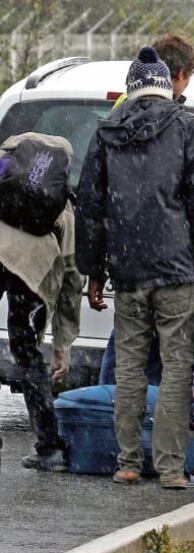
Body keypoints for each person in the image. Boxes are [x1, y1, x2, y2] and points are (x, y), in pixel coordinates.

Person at [76, 47, 194, 489]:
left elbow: (91, 208)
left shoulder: (108, 132)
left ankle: (127, 462)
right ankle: (169, 468)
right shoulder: (189, 129)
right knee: (177, 365)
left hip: (128, 271)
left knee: (128, 366)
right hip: (179, 271)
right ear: (167, 87)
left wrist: (93, 271)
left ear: (131, 90)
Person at [100, 33, 194, 382]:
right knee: (162, 357)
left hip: (128, 253)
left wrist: (95, 263)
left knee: (126, 349)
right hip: (169, 258)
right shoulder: (180, 123)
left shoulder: (121, 110)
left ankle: (113, 422)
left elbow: (99, 194)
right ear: (179, 73)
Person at [2, 134, 82, 472]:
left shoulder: (6, 177)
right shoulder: (61, 206)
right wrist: (62, 344)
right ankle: (49, 449)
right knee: (27, 353)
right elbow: (70, 278)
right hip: (32, 272)